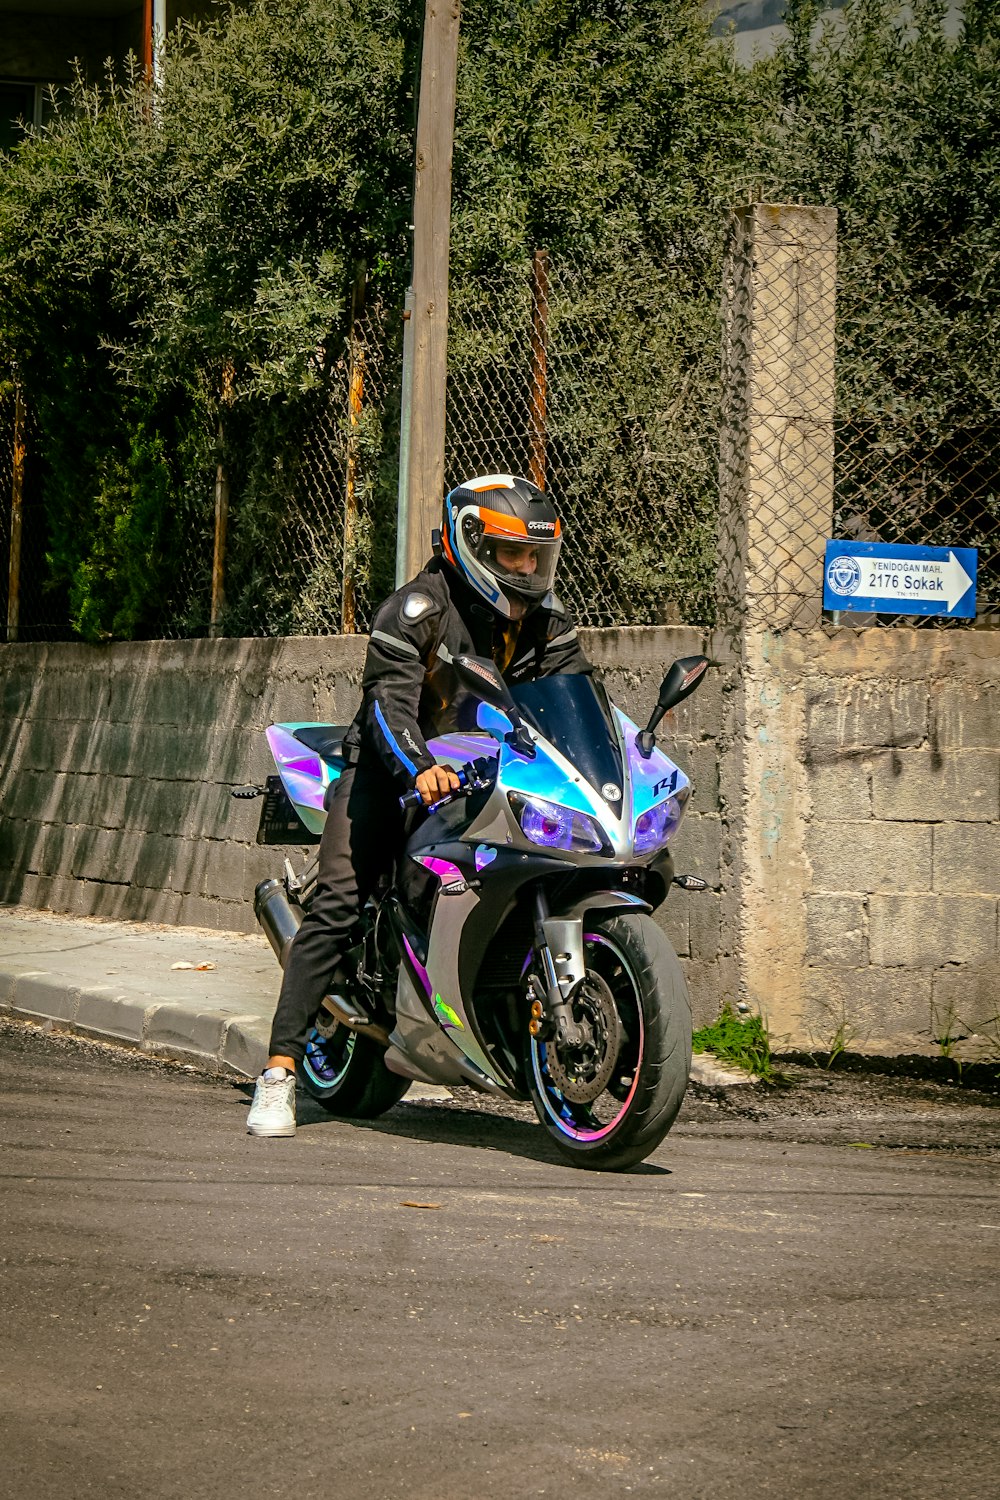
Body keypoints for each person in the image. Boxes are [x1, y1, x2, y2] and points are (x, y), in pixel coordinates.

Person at [245, 473, 590, 1137]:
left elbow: (574, 700)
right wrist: (421, 767)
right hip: (392, 773)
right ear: (472, 545)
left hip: (490, 776)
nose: (526, 569)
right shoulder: (415, 610)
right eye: (512, 554)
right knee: (338, 905)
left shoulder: (546, 622)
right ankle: (281, 1072)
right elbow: (389, 705)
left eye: (534, 557)